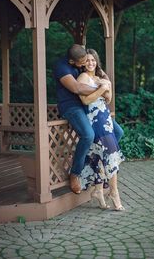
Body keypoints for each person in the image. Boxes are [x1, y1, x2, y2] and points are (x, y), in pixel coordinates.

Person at [53, 44, 124, 194]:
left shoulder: (83, 59)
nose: (86, 63)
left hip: (89, 106)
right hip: (72, 106)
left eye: (88, 59)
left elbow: (100, 72)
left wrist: (106, 82)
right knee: (88, 135)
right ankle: (76, 173)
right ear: (73, 62)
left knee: (117, 132)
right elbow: (77, 88)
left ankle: (98, 168)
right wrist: (102, 90)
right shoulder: (62, 67)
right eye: (83, 62)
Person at [77, 49, 125, 211]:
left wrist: (108, 86)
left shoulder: (99, 77)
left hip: (105, 118)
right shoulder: (82, 77)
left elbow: (109, 98)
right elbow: (85, 100)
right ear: (83, 62)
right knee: (110, 152)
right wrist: (101, 89)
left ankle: (98, 190)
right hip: (94, 119)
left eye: (93, 60)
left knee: (100, 153)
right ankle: (114, 192)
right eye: (88, 60)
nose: (91, 63)